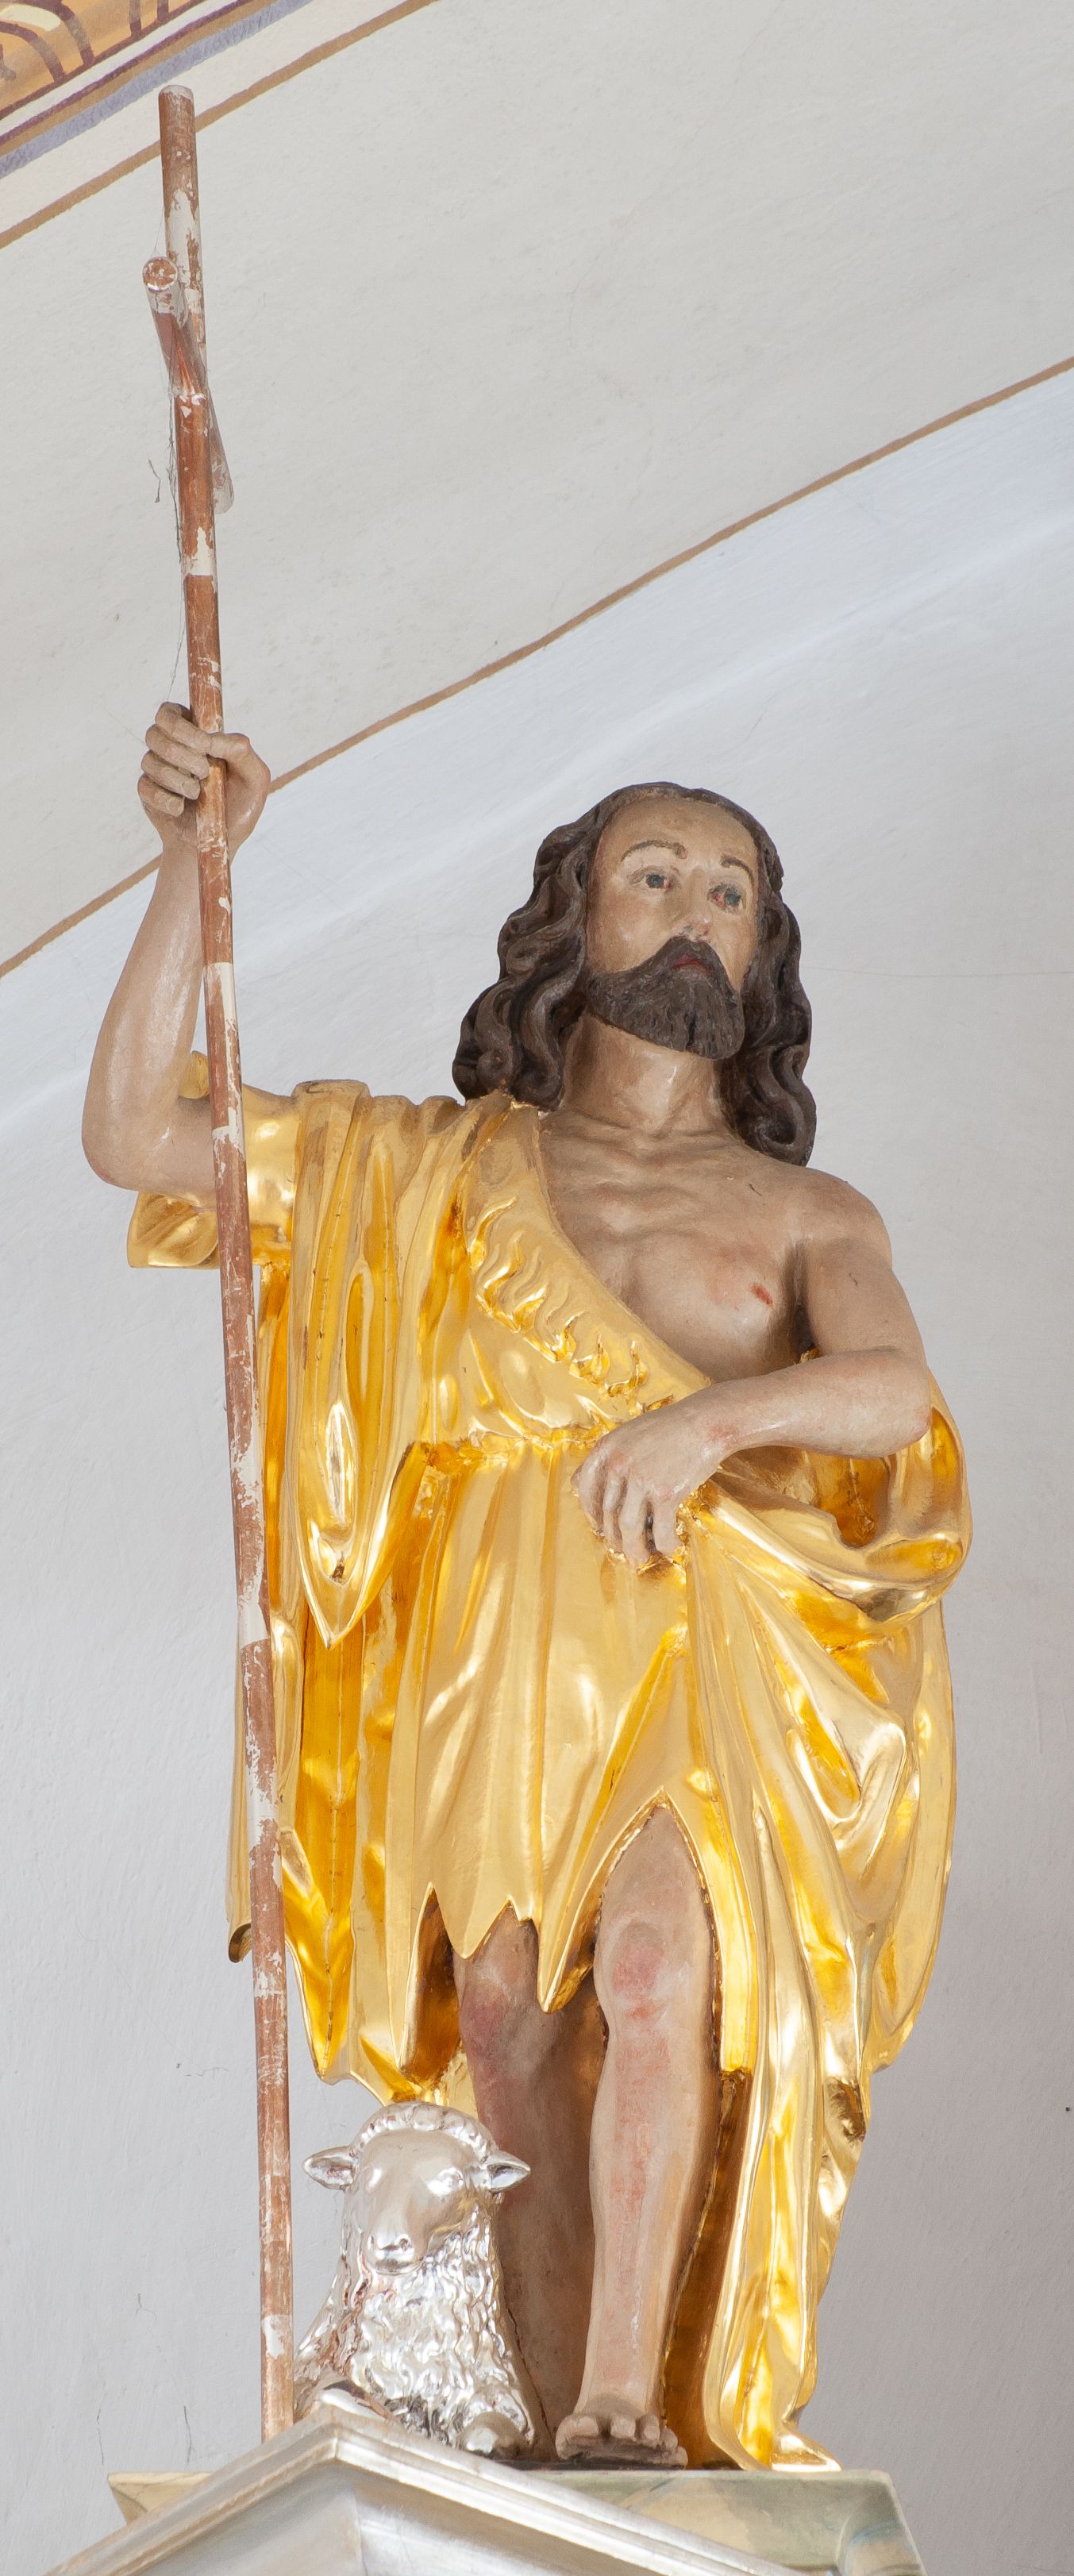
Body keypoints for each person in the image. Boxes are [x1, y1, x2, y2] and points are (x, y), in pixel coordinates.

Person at [83, 704, 969, 2470]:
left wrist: (710, 1423)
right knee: (502, 2021)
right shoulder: (425, 1167)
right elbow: (133, 1131)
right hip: (496, 1638)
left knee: (654, 1967)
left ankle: (630, 2390)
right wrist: (194, 869)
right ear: (573, 918)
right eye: (656, 875)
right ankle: (545, 2414)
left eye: (730, 890)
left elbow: (894, 1398)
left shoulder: (804, 1212)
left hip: (694, 1630)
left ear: (761, 952)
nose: (697, 911)